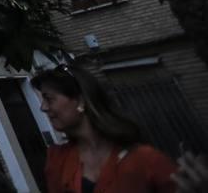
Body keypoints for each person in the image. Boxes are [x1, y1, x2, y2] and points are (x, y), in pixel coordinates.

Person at [31, 65, 176, 193]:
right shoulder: (57, 159)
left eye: (49, 99)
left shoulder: (145, 159)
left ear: (81, 100)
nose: (43, 107)